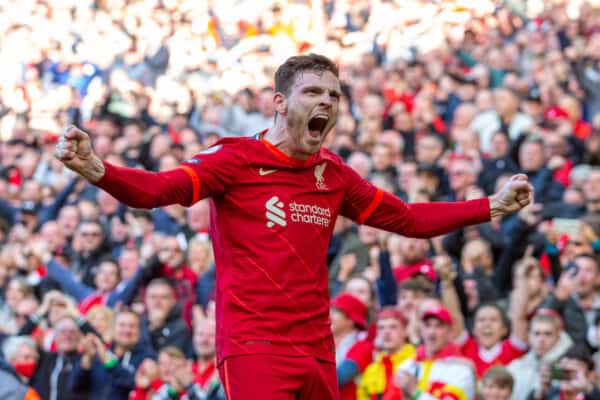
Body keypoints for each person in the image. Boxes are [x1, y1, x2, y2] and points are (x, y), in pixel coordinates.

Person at [55, 53, 533, 399]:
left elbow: (407, 218)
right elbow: (160, 190)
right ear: (280, 102)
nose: (327, 102)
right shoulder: (235, 159)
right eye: (313, 92)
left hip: (318, 346)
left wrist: (488, 206)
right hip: (253, 345)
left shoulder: (334, 174)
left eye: (334, 95)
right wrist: (99, 169)